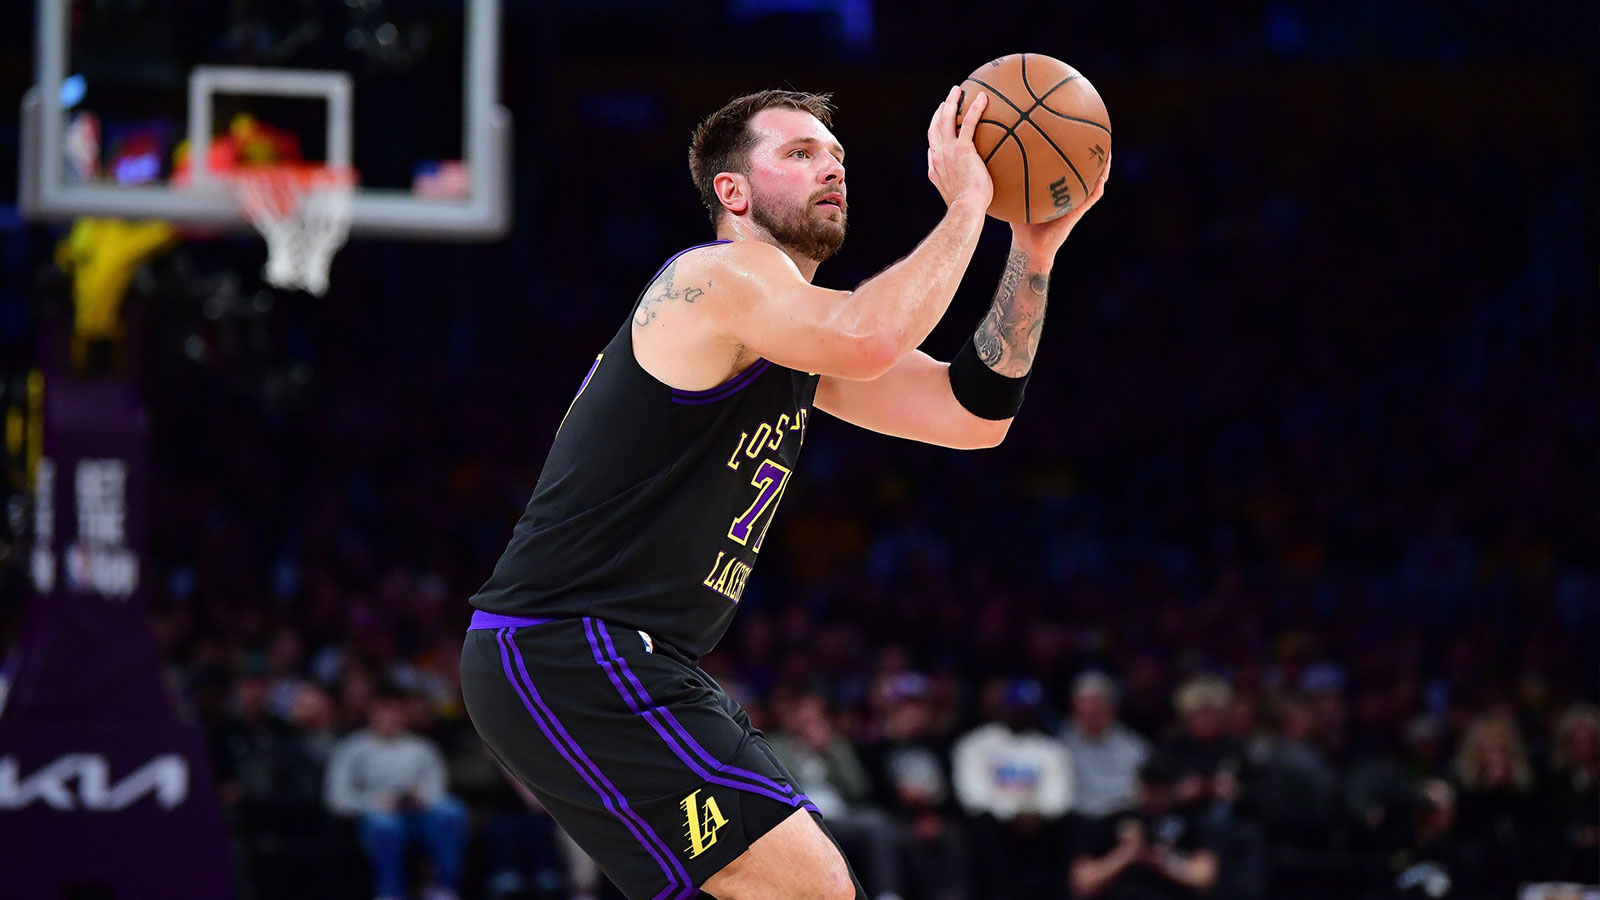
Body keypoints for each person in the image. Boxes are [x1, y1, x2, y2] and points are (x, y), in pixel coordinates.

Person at [458, 86, 1109, 900]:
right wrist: (969, 204)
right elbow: (870, 338)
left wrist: (1033, 250)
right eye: (799, 153)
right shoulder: (717, 278)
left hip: (636, 660)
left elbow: (972, 415)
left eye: (836, 155)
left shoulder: (793, 335)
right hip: (571, 649)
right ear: (731, 192)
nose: (830, 167)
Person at [324, 685, 468, 900]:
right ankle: (390, 893)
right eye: (385, 709)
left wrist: (423, 797)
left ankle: (444, 888)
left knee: (452, 811)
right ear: (372, 712)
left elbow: (439, 788)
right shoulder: (352, 748)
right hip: (376, 814)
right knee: (385, 824)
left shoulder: (422, 748)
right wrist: (373, 802)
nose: (390, 716)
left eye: (396, 710)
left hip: (420, 814)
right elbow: (336, 798)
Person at [1069, 755, 1223, 900]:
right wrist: (1125, 856)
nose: (1152, 796)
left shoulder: (1188, 822)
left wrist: (1160, 862)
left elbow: (1204, 877)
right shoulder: (1116, 820)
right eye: (1148, 788)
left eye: (1159, 790)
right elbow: (1083, 882)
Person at [1060, 671, 1150, 820]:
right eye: (1084, 707)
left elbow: (1141, 792)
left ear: (1111, 708)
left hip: (1119, 817)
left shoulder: (1134, 748)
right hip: (1074, 820)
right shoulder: (1060, 746)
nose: (1090, 712)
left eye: (1096, 705)